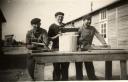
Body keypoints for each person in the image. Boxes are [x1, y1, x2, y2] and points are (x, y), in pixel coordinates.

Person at [75, 15, 108, 80]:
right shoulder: (80, 29)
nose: (89, 21)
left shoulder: (92, 28)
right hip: (79, 49)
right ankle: (79, 79)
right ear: (84, 21)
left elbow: (98, 35)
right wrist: (77, 46)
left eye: (90, 20)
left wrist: (104, 43)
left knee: (89, 64)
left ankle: (92, 77)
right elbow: (75, 38)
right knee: (78, 65)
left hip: (88, 49)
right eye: (87, 20)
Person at [48, 12, 69, 81]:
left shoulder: (65, 25)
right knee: (56, 67)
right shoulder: (52, 26)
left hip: (66, 49)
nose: (61, 18)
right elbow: (49, 38)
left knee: (65, 67)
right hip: (56, 49)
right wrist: (57, 36)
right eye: (59, 16)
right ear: (56, 17)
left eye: (62, 17)